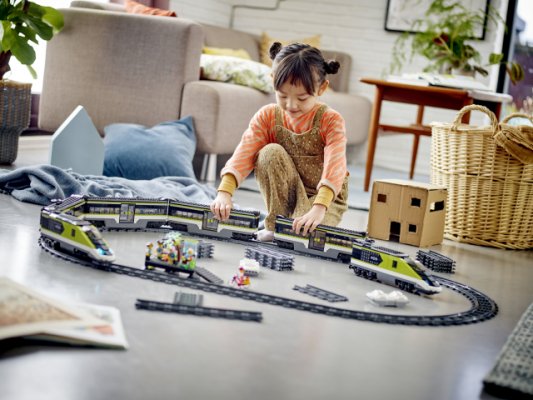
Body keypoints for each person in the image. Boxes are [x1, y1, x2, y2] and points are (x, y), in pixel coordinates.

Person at [210, 41, 349, 242]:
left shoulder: (331, 120)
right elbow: (244, 152)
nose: (291, 105)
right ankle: (275, 224)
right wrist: (224, 192)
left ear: (322, 88)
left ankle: (291, 224)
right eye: (282, 96)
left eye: (302, 98)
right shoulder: (267, 116)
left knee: (303, 236)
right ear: (273, 80)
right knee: (269, 152)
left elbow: (336, 165)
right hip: (289, 191)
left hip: (327, 198)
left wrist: (319, 208)